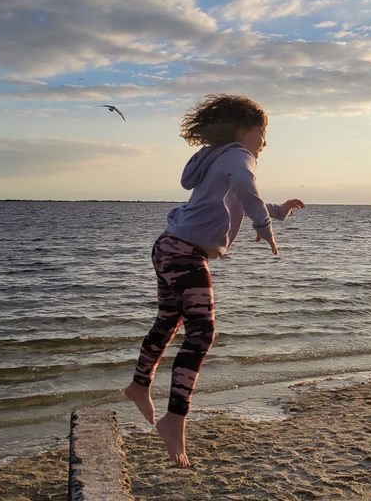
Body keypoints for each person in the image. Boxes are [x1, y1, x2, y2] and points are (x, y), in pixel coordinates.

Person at [124, 94, 305, 468]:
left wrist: (278, 211)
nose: (264, 143)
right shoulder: (239, 156)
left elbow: (238, 196)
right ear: (243, 130)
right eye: (263, 133)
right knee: (202, 334)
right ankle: (174, 419)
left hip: (167, 247)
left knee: (169, 322)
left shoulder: (219, 159)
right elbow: (244, 186)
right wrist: (264, 226)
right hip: (186, 252)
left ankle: (140, 384)